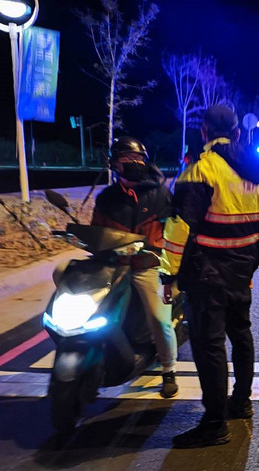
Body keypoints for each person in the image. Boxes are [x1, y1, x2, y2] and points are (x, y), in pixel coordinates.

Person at [160, 104, 259, 448]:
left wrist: (168, 274)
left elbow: (179, 228)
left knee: (210, 347)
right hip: (240, 273)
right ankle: (242, 402)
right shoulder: (258, 175)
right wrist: (249, 269)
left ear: (204, 132)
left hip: (207, 275)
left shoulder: (200, 172)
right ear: (238, 133)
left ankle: (214, 423)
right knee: (241, 334)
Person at [91, 136, 179, 398]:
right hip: (113, 266)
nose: (132, 164)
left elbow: (173, 229)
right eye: (126, 160)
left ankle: (168, 369)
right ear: (114, 165)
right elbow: (97, 231)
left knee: (158, 317)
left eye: (137, 159)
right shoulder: (107, 198)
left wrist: (159, 250)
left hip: (146, 267)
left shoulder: (160, 195)